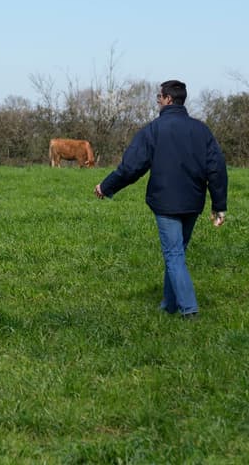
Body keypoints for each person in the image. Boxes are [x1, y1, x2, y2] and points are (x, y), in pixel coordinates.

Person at [94, 80, 228, 320]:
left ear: (167, 99)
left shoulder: (153, 129)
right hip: (193, 202)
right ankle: (169, 305)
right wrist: (219, 206)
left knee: (174, 254)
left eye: (159, 96)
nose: (157, 100)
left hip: (166, 203)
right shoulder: (201, 130)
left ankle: (189, 310)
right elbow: (217, 169)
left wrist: (106, 186)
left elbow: (131, 167)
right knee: (176, 253)